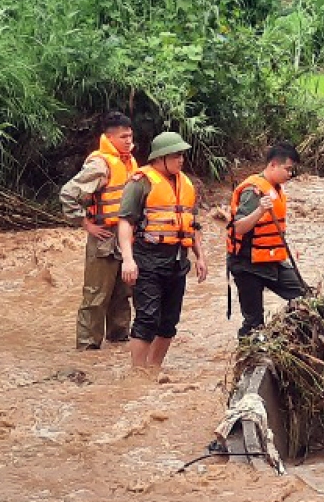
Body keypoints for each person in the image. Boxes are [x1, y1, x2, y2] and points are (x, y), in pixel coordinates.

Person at [117, 131, 208, 373]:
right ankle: (137, 373)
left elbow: (192, 224)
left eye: (182, 155)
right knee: (147, 319)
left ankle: (154, 369)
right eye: (176, 155)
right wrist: (128, 259)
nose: (181, 160)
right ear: (160, 158)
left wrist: (200, 256)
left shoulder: (186, 185)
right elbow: (125, 222)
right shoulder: (140, 183)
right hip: (147, 258)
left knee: (169, 322)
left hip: (178, 260)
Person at [59, 112, 138, 350]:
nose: (128, 140)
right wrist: (85, 223)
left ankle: (119, 340)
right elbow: (68, 193)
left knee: (122, 295)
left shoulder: (129, 162)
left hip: (126, 237)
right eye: (123, 136)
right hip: (103, 237)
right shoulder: (100, 164)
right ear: (109, 137)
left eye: (130, 135)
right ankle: (87, 347)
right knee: (96, 296)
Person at [226, 143, 306, 340]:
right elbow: (238, 227)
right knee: (254, 322)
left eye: (292, 170)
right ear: (273, 165)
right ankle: (249, 357)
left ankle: (294, 337)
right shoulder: (253, 191)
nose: (290, 174)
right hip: (248, 265)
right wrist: (259, 210)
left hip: (272, 260)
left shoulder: (277, 189)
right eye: (287, 169)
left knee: (304, 297)